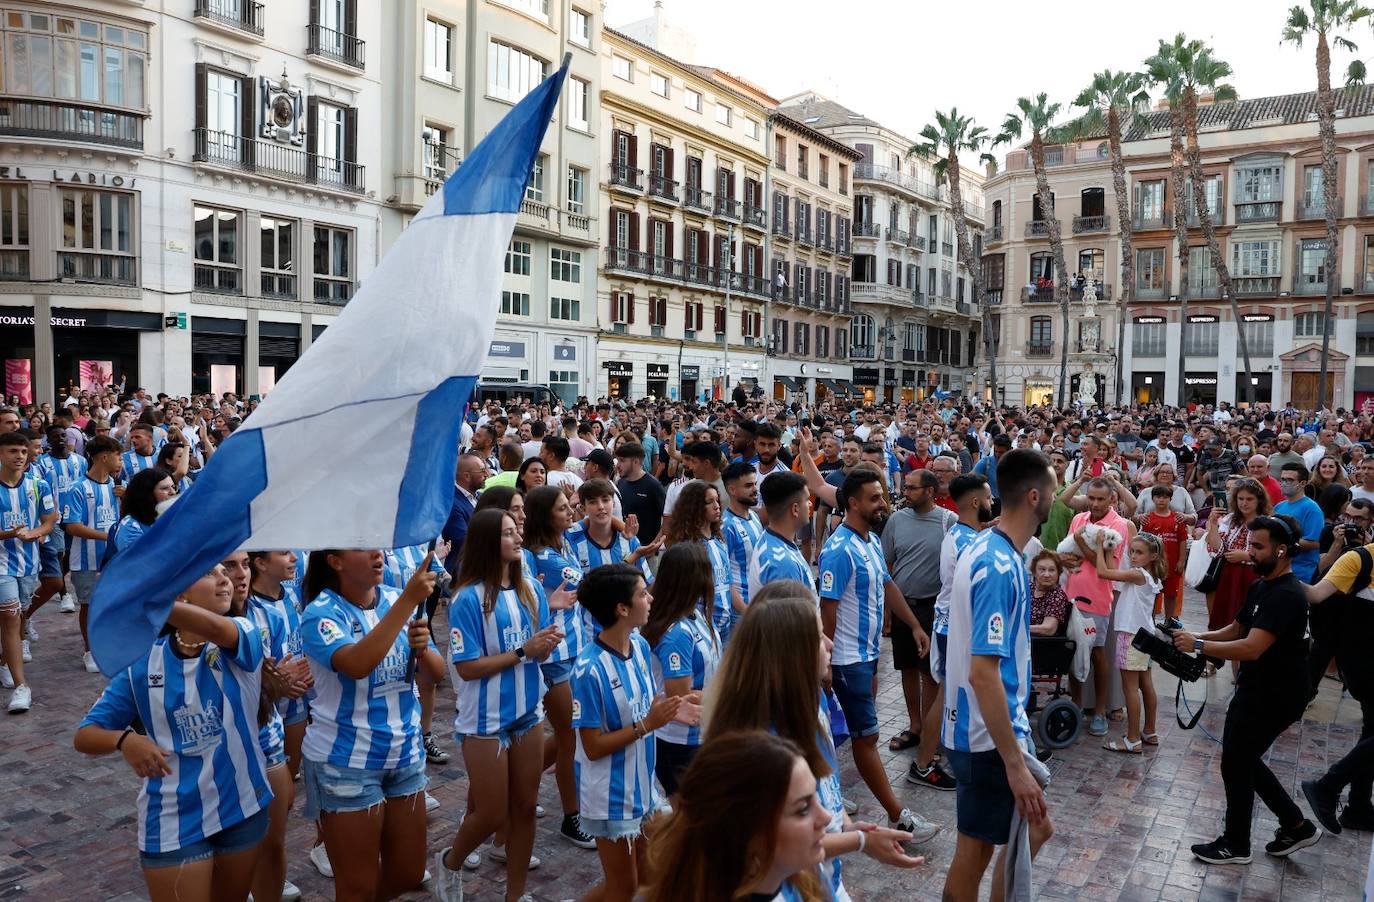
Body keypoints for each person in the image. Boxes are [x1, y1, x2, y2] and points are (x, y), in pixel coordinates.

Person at [75, 564, 273, 901]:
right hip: (172, 816)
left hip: (241, 807)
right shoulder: (143, 663)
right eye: (209, 573)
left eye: (224, 570)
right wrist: (125, 740)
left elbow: (215, 628)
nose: (225, 578)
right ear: (180, 593)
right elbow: (85, 735)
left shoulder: (245, 633)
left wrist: (145, 601)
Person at [1171, 515, 1323, 865]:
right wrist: (1192, 636)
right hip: (1258, 688)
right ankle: (1295, 825)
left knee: (1236, 762)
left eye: (1257, 547)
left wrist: (1197, 646)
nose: (1249, 553)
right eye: (1249, 545)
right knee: (1242, 760)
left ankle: (1237, 843)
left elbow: (1251, 647)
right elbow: (1236, 629)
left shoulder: (1287, 595)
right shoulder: (1261, 586)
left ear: (1282, 550)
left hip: (1277, 694)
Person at [431, 509, 565, 902]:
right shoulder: (467, 599)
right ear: (490, 542)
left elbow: (536, 648)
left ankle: (515, 895)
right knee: (491, 813)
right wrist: (525, 650)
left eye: (517, 530)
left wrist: (544, 646)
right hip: (484, 719)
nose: (518, 537)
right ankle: (450, 861)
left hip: (527, 713)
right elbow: (468, 667)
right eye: (508, 533)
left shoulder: (530, 589)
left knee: (524, 808)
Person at [942, 449, 1055, 902]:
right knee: (975, 853)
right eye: (1051, 490)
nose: (1055, 498)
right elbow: (983, 673)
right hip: (986, 735)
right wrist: (1014, 763)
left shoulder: (998, 551)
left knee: (1036, 829)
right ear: (1033, 496)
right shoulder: (997, 566)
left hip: (995, 728)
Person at [298, 548, 439, 902]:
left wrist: (422, 649)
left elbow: (437, 673)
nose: (378, 554)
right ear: (335, 561)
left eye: (378, 545)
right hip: (346, 763)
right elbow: (356, 663)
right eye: (363, 547)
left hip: (404, 754)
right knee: (357, 885)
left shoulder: (395, 598)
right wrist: (407, 602)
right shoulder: (320, 614)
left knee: (408, 873)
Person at [819, 468, 939, 841]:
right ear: (853, 503)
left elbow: (888, 585)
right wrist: (824, 661)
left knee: (845, 731)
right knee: (866, 737)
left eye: (883, 496)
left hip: (868, 655)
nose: (883, 503)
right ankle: (897, 815)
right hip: (846, 659)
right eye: (875, 497)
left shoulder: (869, 540)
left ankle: (827, 794)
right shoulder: (838, 550)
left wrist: (916, 626)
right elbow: (829, 610)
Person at [573, 563, 685, 902]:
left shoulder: (637, 646)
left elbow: (647, 702)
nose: (650, 599)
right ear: (622, 609)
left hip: (643, 789)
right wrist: (646, 726)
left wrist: (678, 710)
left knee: (651, 876)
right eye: (642, 594)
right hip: (610, 797)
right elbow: (591, 747)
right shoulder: (588, 671)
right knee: (623, 888)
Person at [644, 732, 835, 902]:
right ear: (747, 830)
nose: (826, 817)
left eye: (816, 798)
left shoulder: (805, 879)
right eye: (803, 809)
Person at [521, 485, 597, 849]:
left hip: (571, 650)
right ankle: (572, 817)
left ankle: (519, 783)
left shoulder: (561, 545)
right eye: (564, 508)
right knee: (571, 737)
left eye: (572, 506)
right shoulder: (546, 557)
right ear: (544, 516)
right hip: (555, 658)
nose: (572, 513)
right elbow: (591, 586)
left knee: (567, 733)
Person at [881, 467, 958, 792]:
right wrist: (888, 614)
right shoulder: (896, 521)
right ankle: (915, 726)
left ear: (930, 490)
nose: (906, 493)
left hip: (933, 609)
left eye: (912, 488)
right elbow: (887, 566)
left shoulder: (948, 522)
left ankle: (930, 733)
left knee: (931, 673)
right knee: (908, 668)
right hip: (903, 606)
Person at [643, 543, 720, 796]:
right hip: (680, 743)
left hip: (702, 735)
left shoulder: (695, 616)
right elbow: (681, 697)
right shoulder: (676, 634)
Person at [1066, 477, 1136, 736]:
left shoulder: (1119, 526)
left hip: (1098, 599)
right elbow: (1068, 555)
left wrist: (1082, 545)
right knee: (1072, 652)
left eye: (1100, 499)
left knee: (1097, 655)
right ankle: (1075, 704)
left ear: (1112, 499)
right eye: (1091, 498)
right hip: (1071, 594)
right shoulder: (1078, 519)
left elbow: (1107, 568)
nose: (1094, 504)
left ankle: (1099, 711)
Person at [1092, 534, 1165, 754]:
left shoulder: (1137, 574)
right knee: (1146, 685)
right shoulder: (1151, 575)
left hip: (1131, 636)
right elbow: (1114, 570)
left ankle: (1132, 739)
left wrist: (1098, 547)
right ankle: (1149, 731)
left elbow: (1104, 572)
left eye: (1139, 552)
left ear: (1153, 555)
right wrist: (1108, 549)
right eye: (1131, 551)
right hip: (1146, 636)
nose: (1133, 556)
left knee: (1130, 689)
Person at [0, 429, 56, 712]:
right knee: (10, 617)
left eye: (23, 452)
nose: (19, 456)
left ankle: (4, 660)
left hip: (28, 563)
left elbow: (49, 520)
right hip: (1, 565)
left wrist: (34, 532)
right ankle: (22, 687)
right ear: (1, 455)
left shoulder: (38, 485)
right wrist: (8, 533)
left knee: (19, 616)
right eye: (13, 451)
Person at [664, 480, 739, 641]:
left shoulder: (720, 540)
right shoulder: (688, 547)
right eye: (709, 502)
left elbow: (728, 583)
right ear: (694, 507)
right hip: (701, 627)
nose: (717, 506)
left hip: (724, 626)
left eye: (717, 500)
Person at [1205, 478, 1270, 630]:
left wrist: (1247, 556)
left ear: (1259, 500)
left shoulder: (1267, 523)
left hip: (1254, 576)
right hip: (1230, 574)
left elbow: (1271, 554)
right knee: (1226, 617)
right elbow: (1217, 550)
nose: (1244, 503)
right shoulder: (1230, 520)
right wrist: (1213, 524)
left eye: (1249, 499)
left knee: (1248, 618)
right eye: (1240, 498)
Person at [747, 471, 815, 598]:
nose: (810, 504)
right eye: (806, 500)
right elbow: (792, 616)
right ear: (795, 509)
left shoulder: (774, 541)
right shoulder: (782, 564)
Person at [1140, 483, 1191, 627]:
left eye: (1165, 497)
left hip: (1172, 563)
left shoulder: (1178, 519)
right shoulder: (1148, 519)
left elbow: (1182, 540)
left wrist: (1182, 560)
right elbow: (1144, 542)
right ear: (1152, 499)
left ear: (1170, 499)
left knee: (1171, 594)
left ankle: (1169, 620)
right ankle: (1149, 620)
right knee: (1152, 592)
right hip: (1154, 565)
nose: (1161, 500)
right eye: (1158, 497)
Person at [719, 461, 764, 624]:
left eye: (755, 484)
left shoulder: (754, 517)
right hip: (741, 614)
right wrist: (746, 611)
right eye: (749, 485)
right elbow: (723, 576)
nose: (755, 490)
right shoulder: (726, 527)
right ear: (732, 489)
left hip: (758, 607)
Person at [1274, 462, 1324, 584]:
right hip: (1279, 568)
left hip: (1301, 572)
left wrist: (1283, 541)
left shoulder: (1311, 508)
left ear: (1303, 483)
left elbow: (1315, 543)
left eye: (1290, 480)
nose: (1284, 483)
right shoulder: (1279, 506)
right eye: (1283, 479)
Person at [615, 441, 667, 546]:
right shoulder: (621, 483)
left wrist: (653, 546)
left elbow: (668, 521)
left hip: (646, 552)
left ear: (636, 462)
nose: (617, 465)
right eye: (617, 460)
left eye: (622, 460)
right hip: (624, 548)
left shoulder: (653, 486)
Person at [1028, 551, 1070, 637]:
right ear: (1034, 572)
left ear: (1058, 573)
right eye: (1042, 569)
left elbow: (1048, 629)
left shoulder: (1057, 595)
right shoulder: (1027, 588)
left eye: (1052, 570)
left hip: (1039, 645)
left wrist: (1018, 628)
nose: (1047, 575)